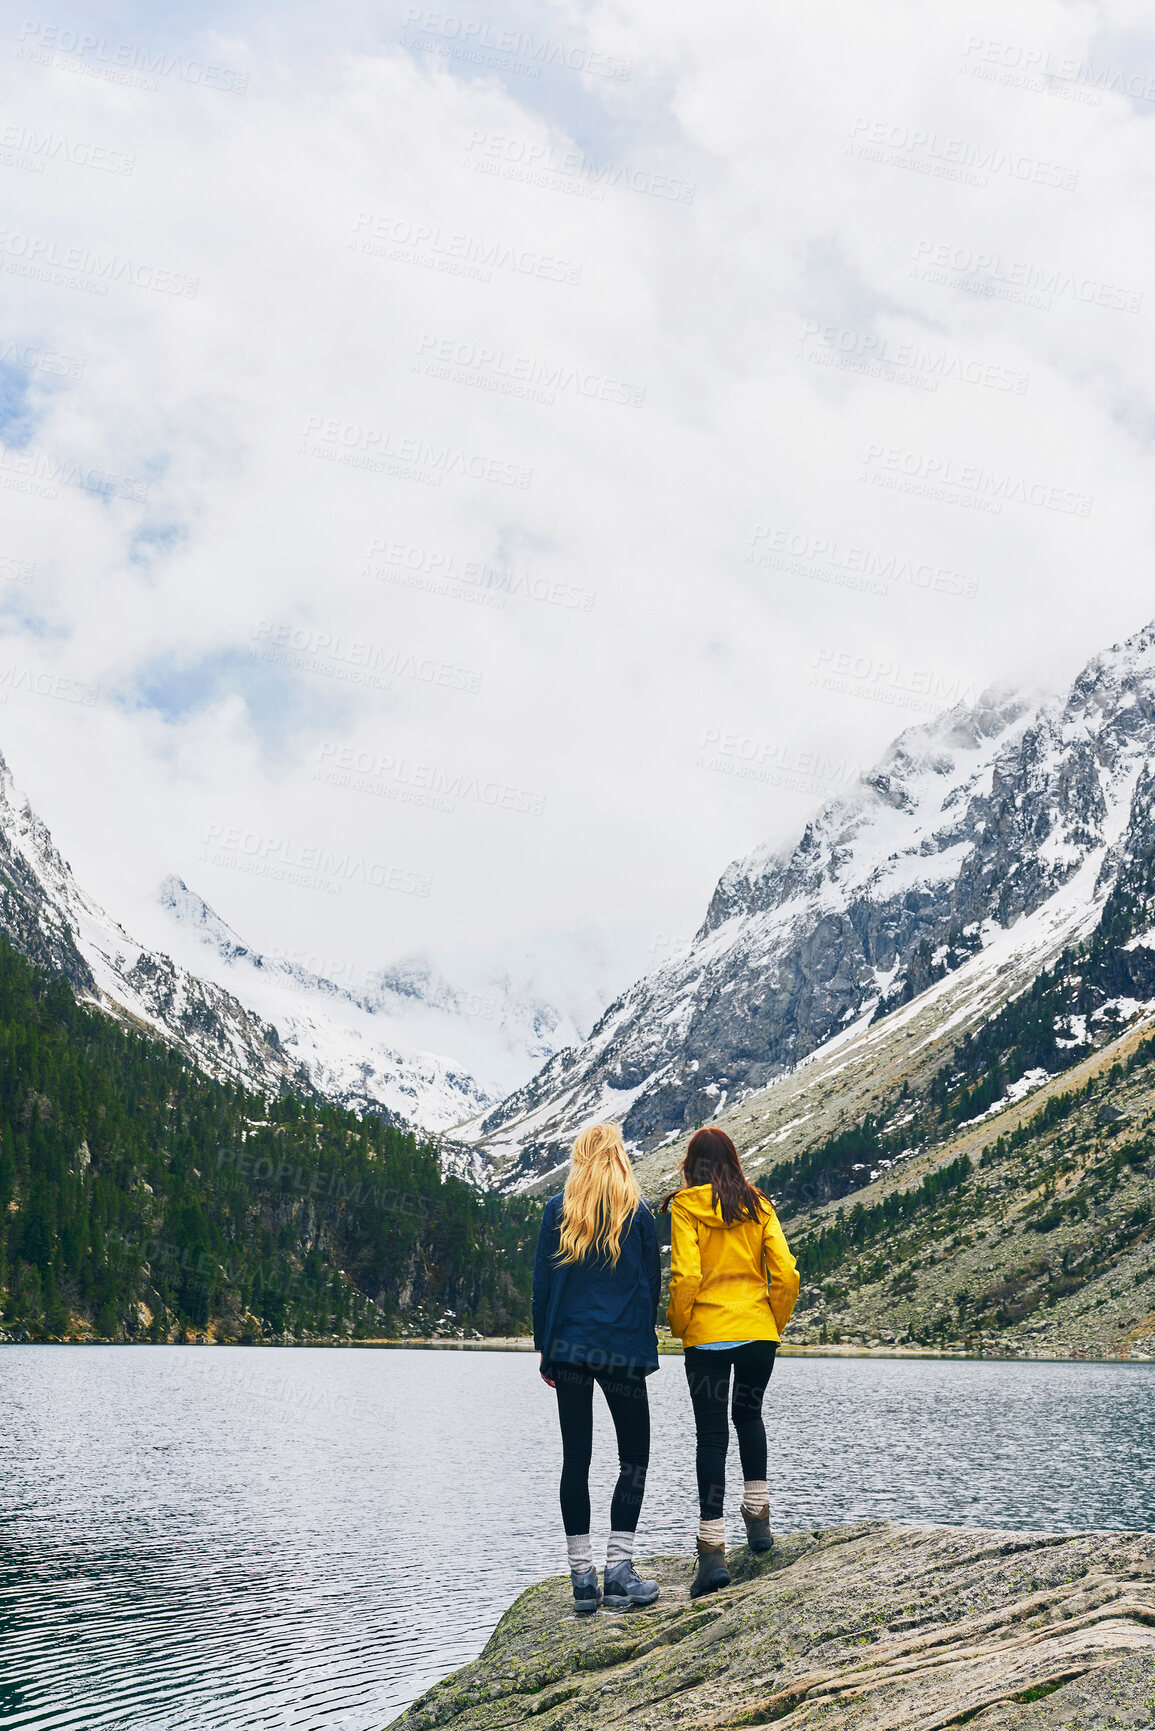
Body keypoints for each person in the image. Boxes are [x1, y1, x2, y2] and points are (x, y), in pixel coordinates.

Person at [533, 1123, 663, 1615]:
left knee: (576, 1460)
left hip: (568, 1349)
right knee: (634, 1459)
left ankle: (582, 1577)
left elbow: (542, 1287)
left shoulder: (556, 1212)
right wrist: (640, 1339)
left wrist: (546, 1348)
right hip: (622, 1352)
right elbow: (651, 1285)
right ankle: (619, 1570)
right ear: (619, 1157)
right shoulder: (639, 1213)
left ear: (581, 1158)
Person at [663, 1126, 799, 1599]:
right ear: (733, 1160)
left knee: (711, 1436)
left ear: (691, 1164)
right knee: (750, 1417)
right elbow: (784, 1271)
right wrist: (771, 1323)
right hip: (758, 1331)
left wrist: (684, 1327)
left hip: (708, 1335)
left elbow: (686, 1275)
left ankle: (713, 1550)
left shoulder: (685, 1207)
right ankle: (759, 1524)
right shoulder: (759, 1204)